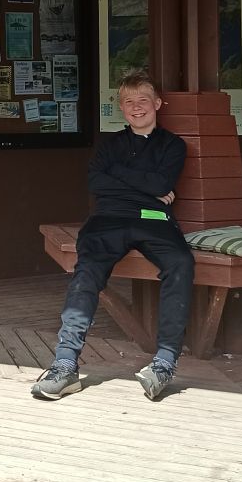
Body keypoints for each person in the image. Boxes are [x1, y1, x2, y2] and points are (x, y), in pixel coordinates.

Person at [32, 69, 193, 403]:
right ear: (121, 107)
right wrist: (147, 186)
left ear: (157, 104)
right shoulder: (110, 144)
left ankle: (164, 361)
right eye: (129, 101)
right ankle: (65, 364)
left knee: (181, 262)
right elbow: (97, 184)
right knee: (87, 271)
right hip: (108, 219)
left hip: (153, 219)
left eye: (143, 100)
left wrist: (120, 177)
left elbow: (161, 184)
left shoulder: (173, 145)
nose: (137, 107)